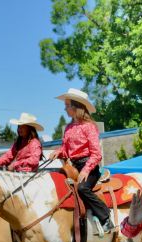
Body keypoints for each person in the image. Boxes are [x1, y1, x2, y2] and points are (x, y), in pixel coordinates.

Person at [48, 88, 115, 233]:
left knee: (83, 188)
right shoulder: (68, 128)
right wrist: (58, 152)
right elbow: (66, 150)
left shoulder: (89, 127)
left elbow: (96, 154)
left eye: (67, 106)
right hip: (73, 166)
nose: (65, 109)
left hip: (89, 167)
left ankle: (106, 218)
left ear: (76, 106)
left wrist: (85, 170)